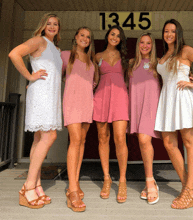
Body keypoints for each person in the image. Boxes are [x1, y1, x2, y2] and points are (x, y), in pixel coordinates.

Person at [154, 19, 193, 209]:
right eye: (166, 31)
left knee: (189, 143)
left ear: (178, 33)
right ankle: (188, 189)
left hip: (183, 99)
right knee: (169, 143)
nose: (169, 34)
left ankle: (188, 191)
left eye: (173, 31)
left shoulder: (186, 50)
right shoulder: (165, 54)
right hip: (168, 100)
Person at [9, 13, 62, 209]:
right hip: (41, 95)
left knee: (40, 139)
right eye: (48, 23)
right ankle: (28, 186)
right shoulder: (38, 40)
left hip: (51, 96)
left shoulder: (55, 48)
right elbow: (14, 53)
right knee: (50, 136)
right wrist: (29, 76)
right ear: (42, 26)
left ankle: (37, 186)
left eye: (55, 24)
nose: (52, 26)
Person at [61, 27, 98, 212]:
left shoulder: (92, 61)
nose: (85, 39)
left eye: (88, 37)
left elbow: (93, 83)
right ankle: (73, 189)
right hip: (72, 102)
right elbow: (53, 74)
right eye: (82, 35)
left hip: (87, 103)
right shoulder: (65, 55)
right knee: (75, 141)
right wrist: (33, 82)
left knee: (82, 141)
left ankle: (73, 183)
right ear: (76, 37)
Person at [93, 25, 129, 203]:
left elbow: (142, 73)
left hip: (121, 98)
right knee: (102, 138)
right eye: (112, 34)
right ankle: (107, 178)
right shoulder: (97, 57)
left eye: (118, 36)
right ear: (107, 35)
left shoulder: (125, 59)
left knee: (120, 138)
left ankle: (122, 180)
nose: (115, 37)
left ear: (121, 39)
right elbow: (87, 77)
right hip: (101, 98)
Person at [128, 33, 161, 205]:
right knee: (142, 142)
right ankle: (150, 180)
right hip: (137, 107)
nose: (145, 45)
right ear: (138, 44)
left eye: (149, 43)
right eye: (142, 42)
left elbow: (172, 77)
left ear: (152, 45)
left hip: (152, 108)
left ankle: (149, 181)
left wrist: (189, 78)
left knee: (143, 140)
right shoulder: (132, 63)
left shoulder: (159, 63)